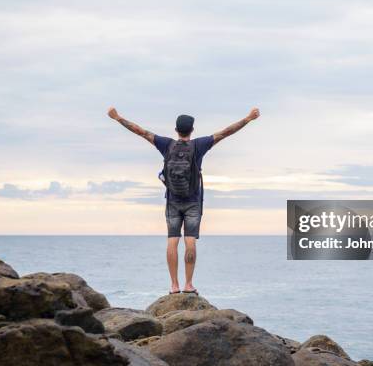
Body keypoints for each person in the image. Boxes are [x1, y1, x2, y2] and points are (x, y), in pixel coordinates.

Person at [107, 106, 260, 294]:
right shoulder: (199, 145)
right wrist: (248, 118)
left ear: (176, 130)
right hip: (193, 201)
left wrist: (117, 118)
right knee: (190, 241)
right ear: (192, 130)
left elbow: (141, 132)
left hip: (172, 200)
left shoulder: (166, 144)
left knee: (172, 240)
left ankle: (174, 286)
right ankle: (188, 284)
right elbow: (226, 133)